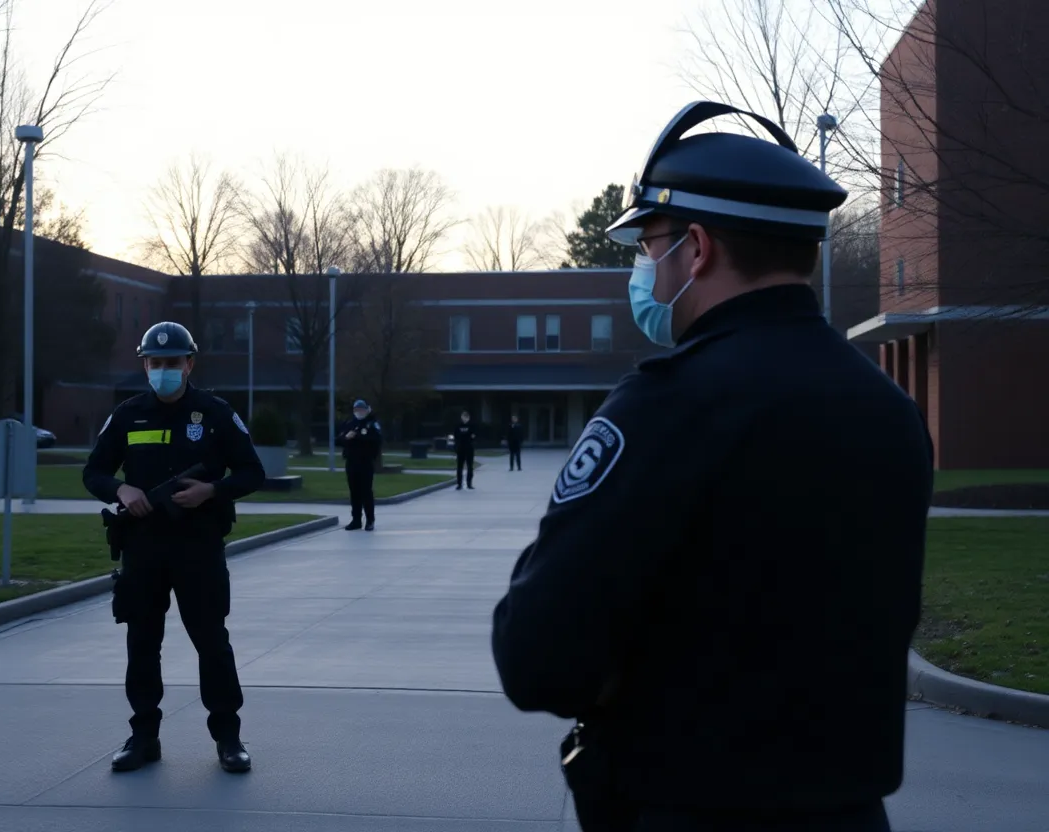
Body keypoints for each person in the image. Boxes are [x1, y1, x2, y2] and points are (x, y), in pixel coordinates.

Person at [489, 101, 934, 832]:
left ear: (695, 248)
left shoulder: (667, 406)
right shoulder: (891, 409)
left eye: (649, 243)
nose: (643, 267)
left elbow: (537, 656)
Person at [83, 321, 266, 775]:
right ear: (144, 364)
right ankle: (144, 737)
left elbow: (251, 472)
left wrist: (212, 492)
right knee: (142, 642)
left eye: (173, 362)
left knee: (211, 642)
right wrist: (121, 492)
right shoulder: (128, 413)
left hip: (198, 546)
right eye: (155, 362)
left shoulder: (216, 412)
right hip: (143, 547)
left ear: (190, 364)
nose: (164, 370)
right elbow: (94, 472)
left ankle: (228, 739)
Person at [337, 398, 382, 531]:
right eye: (356, 409)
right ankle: (356, 520)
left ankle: (370, 520)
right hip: (351, 461)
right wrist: (346, 438)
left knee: (366, 492)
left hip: (366, 462)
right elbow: (338, 440)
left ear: (367, 410)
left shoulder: (372, 424)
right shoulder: (349, 423)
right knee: (354, 492)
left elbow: (376, 440)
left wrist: (357, 438)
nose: (359, 412)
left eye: (361, 409)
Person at [453, 410, 476, 490]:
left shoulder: (472, 426)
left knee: (470, 467)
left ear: (468, 418)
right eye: (463, 417)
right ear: (461, 417)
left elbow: (473, 436)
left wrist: (466, 437)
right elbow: (456, 437)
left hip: (469, 449)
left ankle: (469, 483)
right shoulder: (458, 426)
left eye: (466, 418)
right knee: (459, 467)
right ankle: (459, 484)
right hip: (460, 449)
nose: (465, 419)